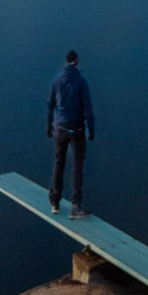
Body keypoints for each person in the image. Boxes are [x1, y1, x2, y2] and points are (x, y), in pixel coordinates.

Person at [47, 48, 94, 218]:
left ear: (66, 62)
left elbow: (51, 104)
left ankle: (55, 202)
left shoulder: (57, 80)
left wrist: (48, 125)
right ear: (77, 62)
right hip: (76, 129)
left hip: (59, 127)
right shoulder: (81, 82)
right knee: (77, 167)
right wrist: (91, 129)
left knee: (58, 163)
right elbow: (88, 109)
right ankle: (75, 207)